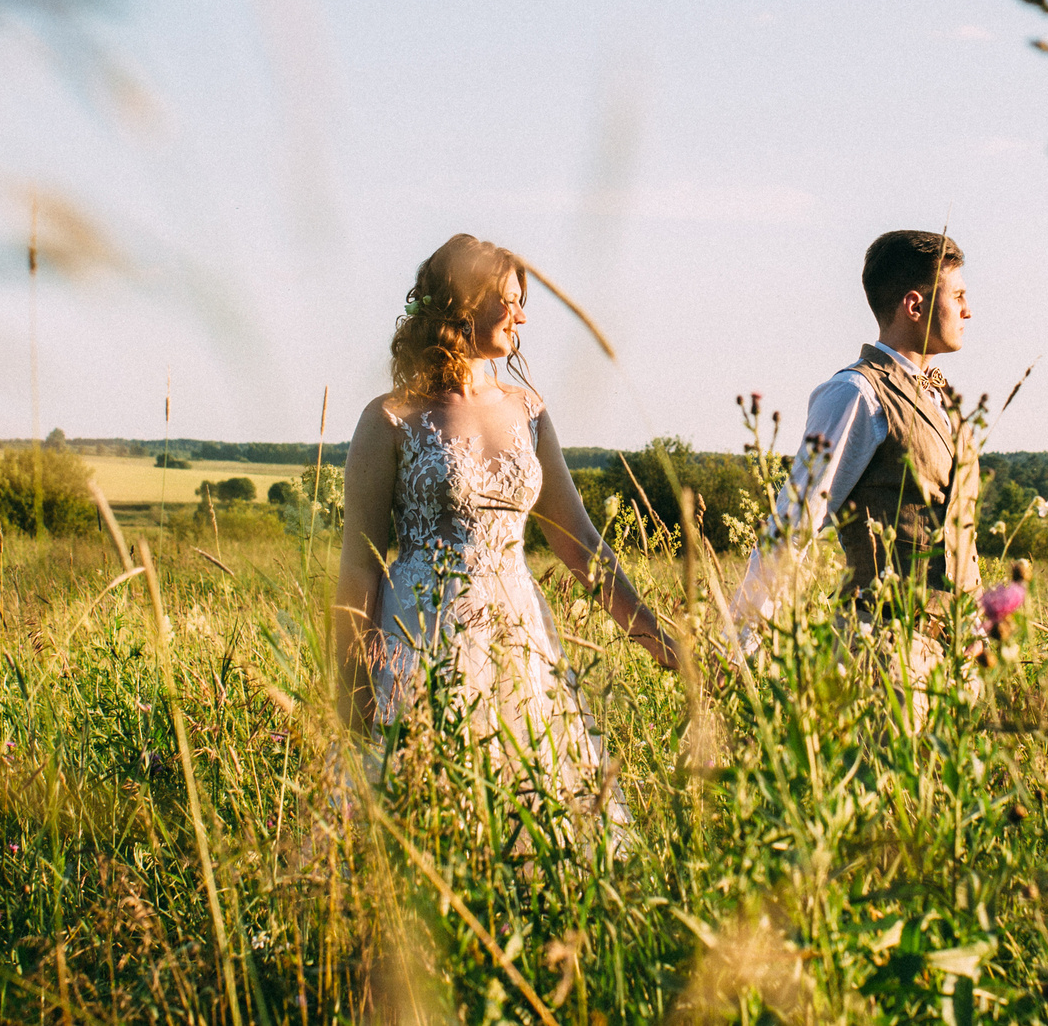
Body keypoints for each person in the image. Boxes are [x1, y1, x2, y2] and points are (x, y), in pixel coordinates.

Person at [335, 233, 676, 820]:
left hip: (518, 636)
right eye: (510, 299)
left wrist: (655, 637)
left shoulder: (530, 410)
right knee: (421, 814)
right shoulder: (390, 417)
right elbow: (359, 562)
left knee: (534, 811)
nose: (522, 315)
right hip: (418, 639)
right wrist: (354, 687)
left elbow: (580, 543)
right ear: (465, 301)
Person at [733, 229, 977, 628]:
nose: (968, 311)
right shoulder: (856, 393)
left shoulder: (941, 397)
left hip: (948, 660)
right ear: (914, 305)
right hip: (877, 652)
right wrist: (739, 651)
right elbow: (793, 526)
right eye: (958, 296)